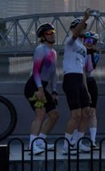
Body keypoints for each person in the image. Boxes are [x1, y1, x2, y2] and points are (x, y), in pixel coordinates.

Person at [25, 22, 60, 155]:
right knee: (41, 113)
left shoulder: (53, 52)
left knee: (54, 115)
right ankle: (32, 146)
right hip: (33, 85)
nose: (51, 35)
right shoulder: (40, 49)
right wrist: (39, 89)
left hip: (43, 87)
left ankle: (40, 141)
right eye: (48, 33)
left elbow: (54, 73)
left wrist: (54, 90)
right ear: (43, 36)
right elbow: (35, 71)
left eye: (53, 33)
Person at [61, 10, 93, 154]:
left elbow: (84, 71)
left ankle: (78, 142)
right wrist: (85, 17)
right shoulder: (70, 41)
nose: (84, 28)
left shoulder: (83, 48)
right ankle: (66, 146)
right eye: (81, 26)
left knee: (86, 113)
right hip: (70, 79)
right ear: (74, 28)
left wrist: (86, 90)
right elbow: (75, 34)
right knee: (76, 115)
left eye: (85, 26)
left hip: (80, 79)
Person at [81, 31, 101, 149]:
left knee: (92, 112)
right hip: (82, 84)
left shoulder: (94, 55)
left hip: (91, 82)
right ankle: (77, 139)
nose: (89, 43)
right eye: (87, 41)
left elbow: (89, 69)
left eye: (92, 41)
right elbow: (83, 71)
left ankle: (93, 141)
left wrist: (92, 52)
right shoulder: (80, 53)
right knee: (82, 113)